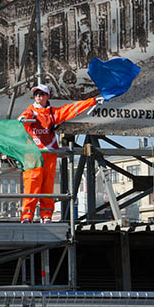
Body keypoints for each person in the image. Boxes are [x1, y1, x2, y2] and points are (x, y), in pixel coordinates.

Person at [18, 84, 100, 223]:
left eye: (41, 94)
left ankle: (46, 216)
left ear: (47, 96)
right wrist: (22, 119)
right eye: (36, 94)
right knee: (32, 184)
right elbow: (24, 117)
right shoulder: (31, 111)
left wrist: (92, 101)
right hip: (33, 153)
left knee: (47, 186)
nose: (38, 96)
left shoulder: (53, 113)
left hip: (49, 152)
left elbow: (71, 109)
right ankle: (27, 216)